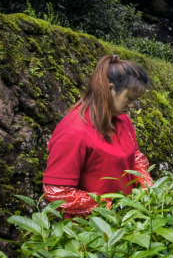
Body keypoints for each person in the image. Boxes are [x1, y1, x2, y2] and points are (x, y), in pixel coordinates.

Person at [43, 54, 152, 218]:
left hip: (127, 219)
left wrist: (148, 189)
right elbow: (57, 192)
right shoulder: (73, 132)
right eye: (129, 98)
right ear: (110, 89)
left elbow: (135, 156)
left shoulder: (123, 120)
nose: (132, 105)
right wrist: (110, 208)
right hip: (91, 228)